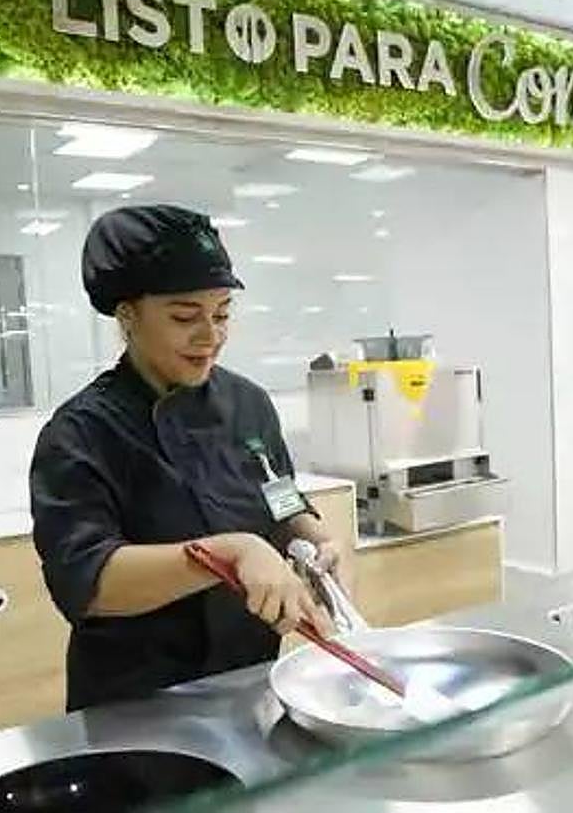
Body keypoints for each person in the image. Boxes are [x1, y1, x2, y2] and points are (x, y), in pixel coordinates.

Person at [30, 204, 347, 711]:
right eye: (185, 317)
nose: (211, 335)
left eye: (222, 313)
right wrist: (229, 553)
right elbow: (89, 582)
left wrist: (312, 534)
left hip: (248, 681)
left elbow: (278, 492)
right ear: (127, 315)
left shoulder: (248, 404)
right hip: (136, 702)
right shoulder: (80, 433)